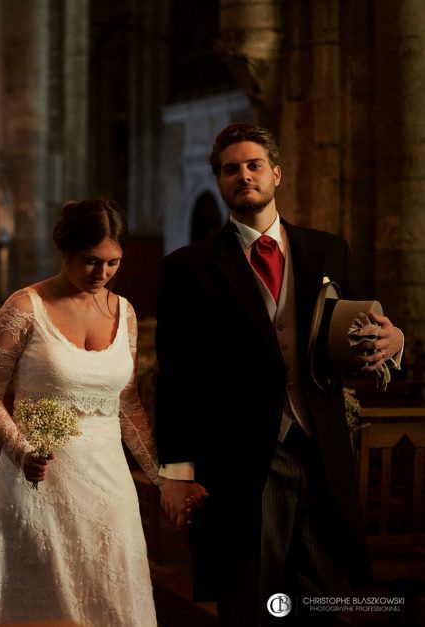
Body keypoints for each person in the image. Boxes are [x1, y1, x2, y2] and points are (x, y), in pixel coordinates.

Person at [154, 123, 405, 625]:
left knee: (325, 599)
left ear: (276, 174)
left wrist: (394, 340)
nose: (243, 175)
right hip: (242, 458)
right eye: (231, 169)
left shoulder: (328, 251)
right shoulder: (190, 266)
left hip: (321, 450)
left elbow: (374, 322)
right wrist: (177, 475)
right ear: (221, 181)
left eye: (253, 165)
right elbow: (176, 377)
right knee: (251, 602)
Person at [0, 198, 163, 626]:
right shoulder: (24, 307)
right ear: (65, 252)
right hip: (39, 485)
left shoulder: (124, 313)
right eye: (91, 261)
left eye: (113, 263)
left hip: (110, 490)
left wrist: (164, 478)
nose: (102, 274)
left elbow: (126, 405)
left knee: (112, 602)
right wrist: (21, 450)